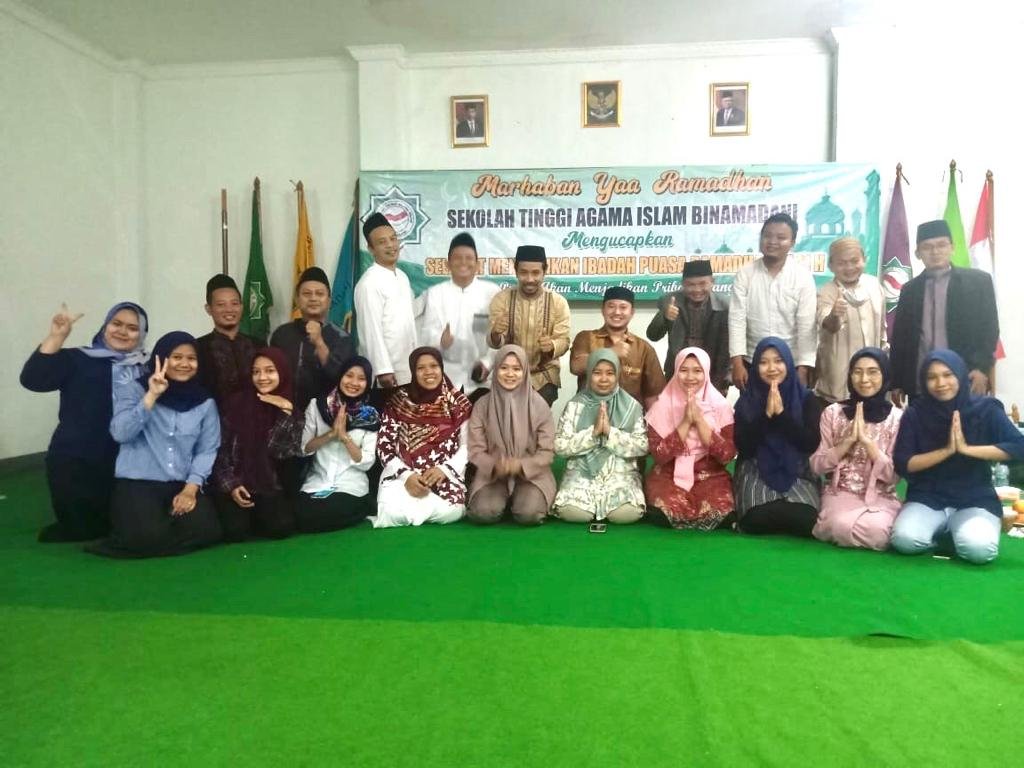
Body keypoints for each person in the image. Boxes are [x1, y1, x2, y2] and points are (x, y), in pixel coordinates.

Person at [20, 301, 149, 542]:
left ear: (141, 334)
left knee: (126, 524)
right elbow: (33, 379)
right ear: (105, 326)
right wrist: (57, 336)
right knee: (81, 529)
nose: (122, 331)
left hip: (126, 460)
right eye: (116, 324)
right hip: (76, 457)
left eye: (132, 328)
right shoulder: (78, 358)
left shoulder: (147, 367)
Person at [89, 332, 222, 558]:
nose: (184, 364)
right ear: (161, 358)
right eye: (176, 357)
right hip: (138, 482)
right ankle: (147, 535)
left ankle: (149, 536)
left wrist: (190, 489)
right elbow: (120, 433)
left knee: (209, 532)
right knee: (148, 537)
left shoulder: (204, 401)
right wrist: (151, 396)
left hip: (180, 483)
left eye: (191, 358)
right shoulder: (135, 390)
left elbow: (207, 449)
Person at [890, 350, 1024, 564]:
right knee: (905, 541)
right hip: (927, 497)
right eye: (932, 377)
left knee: (980, 551)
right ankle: (945, 533)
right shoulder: (916, 413)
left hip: (974, 498)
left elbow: (1019, 446)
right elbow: (903, 462)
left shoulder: (985, 409)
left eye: (947, 375)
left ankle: (958, 532)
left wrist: (967, 449)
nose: (940, 383)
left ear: (960, 374)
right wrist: (946, 451)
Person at [890, 220, 999, 404]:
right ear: (918, 253)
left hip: (966, 378)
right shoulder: (909, 290)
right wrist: (897, 381)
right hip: (921, 381)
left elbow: (989, 329)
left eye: (941, 245)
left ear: (952, 247)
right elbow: (900, 337)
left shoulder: (978, 282)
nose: (935, 252)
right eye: (927, 247)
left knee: (963, 423)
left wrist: (982, 368)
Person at [810, 348, 903, 550]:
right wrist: (848, 442)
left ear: (885, 375)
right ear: (850, 376)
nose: (864, 379)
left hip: (881, 496)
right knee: (837, 525)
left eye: (872, 372)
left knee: (879, 533)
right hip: (840, 492)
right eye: (857, 372)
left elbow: (894, 476)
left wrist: (869, 444)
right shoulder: (833, 413)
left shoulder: (896, 418)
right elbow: (817, 466)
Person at [733, 337, 822, 537]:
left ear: (789, 364)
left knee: (807, 520)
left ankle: (783, 511)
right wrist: (766, 416)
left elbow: (810, 443)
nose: (772, 368)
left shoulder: (807, 399)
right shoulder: (747, 401)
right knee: (755, 519)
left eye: (778, 361)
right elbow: (743, 447)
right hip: (756, 469)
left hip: (798, 471)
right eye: (764, 362)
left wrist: (781, 415)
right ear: (755, 367)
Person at [373, 348, 472, 527]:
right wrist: (407, 476)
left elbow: (468, 446)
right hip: (403, 475)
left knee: (452, 511)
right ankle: (420, 510)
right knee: (391, 511)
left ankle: (412, 513)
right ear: (413, 371)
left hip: (443, 476)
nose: (428, 372)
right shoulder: (398, 402)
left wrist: (444, 470)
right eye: (421, 368)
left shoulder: (458, 404)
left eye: (434, 366)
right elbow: (384, 448)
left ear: (441, 368)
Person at [212, 348, 301, 541]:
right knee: (235, 532)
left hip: (271, 485)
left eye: (270, 371)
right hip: (237, 483)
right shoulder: (234, 404)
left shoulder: (292, 408)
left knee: (281, 528)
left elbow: (279, 452)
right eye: (256, 372)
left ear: (282, 372)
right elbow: (220, 450)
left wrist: (285, 411)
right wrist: (232, 485)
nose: (262, 378)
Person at [552, 350, 649, 524]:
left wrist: (611, 433)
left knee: (626, 514)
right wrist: (593, 434)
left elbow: (642, 446)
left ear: (617, 375)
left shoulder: (631, 406)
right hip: (582, 472)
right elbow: (560, 446)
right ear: (589, 374)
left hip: (620, 473)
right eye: (597, 373)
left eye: (610, 373)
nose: (604, 379)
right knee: (574, 513)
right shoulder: (575, 405)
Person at [644, 347, 736, 530]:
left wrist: (700, 422)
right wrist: (686, 422)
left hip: (710, 473)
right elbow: (659, 455)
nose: (690, 377)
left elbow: (727, 455)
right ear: (675, 371)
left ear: (706, 372)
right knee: (664, 511)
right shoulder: (662, 405)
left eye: (697, 370)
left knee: (721, 509)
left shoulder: (720, 406)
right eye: (684, 370)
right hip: (668, 473)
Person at [466, 345, 555, 525]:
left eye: (516, 369)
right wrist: (495, 465)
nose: (510, 374)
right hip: (492, 474)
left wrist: (521, 465)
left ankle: (517, 500)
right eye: (504, 368)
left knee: (529, 514)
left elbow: (547, 452)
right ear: (495, 370)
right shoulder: (482, 405)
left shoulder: (539, 405)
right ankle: (503, 499)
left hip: (532, 474)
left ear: (525, 372)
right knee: (483, 513)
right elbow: (475, 449)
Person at [729, 212, 817, 390]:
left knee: (790, 408)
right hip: (753, 361)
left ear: (792, 242)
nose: (772, 241)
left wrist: (803, 368)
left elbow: (807, 325)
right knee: (752, 408)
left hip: (790, 362)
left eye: (781, 237)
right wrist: (737, 363)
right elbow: (736, 320)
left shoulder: (802, 277)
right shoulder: (745, 274)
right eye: (767, 236)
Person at [297, 356, 380, 532]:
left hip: (350, 484)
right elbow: (304, 448)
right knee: (300, 515)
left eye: (361, 378)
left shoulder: (370, 415)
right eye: (349, 375)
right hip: (317, 482)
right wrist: (331, 434)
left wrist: (344, 438)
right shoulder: (317, 406)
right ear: (340, 376)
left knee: (334, 511)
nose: (354, 383)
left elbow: (367, 462)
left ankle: (361, 505)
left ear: (368, 383)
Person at [419, 232, 500, 400]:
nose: (463, 262)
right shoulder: (436, 293)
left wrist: (487, 364)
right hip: (445, 379)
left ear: (477, 263)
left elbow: (499, 337)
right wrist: (440, 341)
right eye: (457, 258)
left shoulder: (492, 292)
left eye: (469, 258)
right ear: (448, 264)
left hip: (482, 380)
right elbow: (427, 334)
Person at [488, 245, 571, 406]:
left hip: (543, 376)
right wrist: (495, 334)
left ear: (544, 271)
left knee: (537, 416)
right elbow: (495, 343)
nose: (530, 279)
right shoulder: (502, 299)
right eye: (524, 272)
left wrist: (552, 345)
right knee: (507, 417)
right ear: (516, 271)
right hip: (509, 374)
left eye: (535, 273)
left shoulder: (558, 302)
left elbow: (564, 341)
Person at [270, 266, 354, 415]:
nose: (313, 298)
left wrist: (319, 342)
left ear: (329, 300)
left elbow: (344, 381)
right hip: (285, 416)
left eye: (319, 294)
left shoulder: (343, 338)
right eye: (307, 294)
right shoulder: (281, 334)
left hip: (326, 418)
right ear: (297, 299)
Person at [353, 212, 419, 402]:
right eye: (382, 242)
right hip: (387, 375)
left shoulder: (402, 277)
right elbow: (370, 329)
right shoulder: (369, 283)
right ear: (371, 249)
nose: (391, 245)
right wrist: (383, 370)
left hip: (408, 367)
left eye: (393, 238)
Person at [815, 238, 887, 404]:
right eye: (841, 263)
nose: (849, 268)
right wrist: (835, 314)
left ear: (864, 260)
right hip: (839, 384)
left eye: (855, 261)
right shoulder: (826, 292)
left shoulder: (874, 285)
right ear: (831, 265)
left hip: (873, 381)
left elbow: (882, 330)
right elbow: (829, 325)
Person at [570, 286, 665, 409]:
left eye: (623, 307)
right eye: (611, 306)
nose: (617, 312)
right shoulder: (586, 337)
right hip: (589, 414)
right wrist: (610, 353)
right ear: (603, 310)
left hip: (630, 417)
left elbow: (652, 395)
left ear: (632, 312)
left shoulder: (644, 348)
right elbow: (576, 367)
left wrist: (652, 421)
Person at [646, 259, 730, 393]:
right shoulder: (671, 302)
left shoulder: (725, 305)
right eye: (691, 285)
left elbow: (730, 346)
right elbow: (652, 335)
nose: (697, 290)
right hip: (677, 372)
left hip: (714, 374)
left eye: (702, 283)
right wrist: (664, 317)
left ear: (712, 282)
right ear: (683, 284)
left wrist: (726, 379)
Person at [196, 274, 265, 406]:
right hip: (214, 417)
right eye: (221, 304)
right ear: (208, 309)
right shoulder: (198, 348)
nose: (229, 309)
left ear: (242, 306)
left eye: (234, 303)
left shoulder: (259, 345)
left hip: (257, 416)